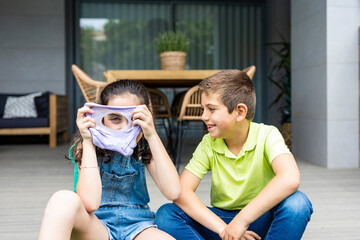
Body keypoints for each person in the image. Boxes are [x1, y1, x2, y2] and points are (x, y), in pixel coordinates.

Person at [155, 70, 313, 240]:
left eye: (211, 109)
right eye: (203, 109)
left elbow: (290, 178)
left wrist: (242, 221)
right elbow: (181, 192)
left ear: (239, 112)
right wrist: (225, 229)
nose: (203, 116)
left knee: (297, 203)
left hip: (261, 219)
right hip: (223, 224)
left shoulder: (267, 135)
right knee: (166, 214)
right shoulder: (209, 143)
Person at [39, 80, 180, 240]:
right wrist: (88, 141)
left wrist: (151, 135)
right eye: (115, 119)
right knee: (63, 199)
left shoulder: (145, 145)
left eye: (133, 118)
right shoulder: (86, 145)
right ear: (101, 119)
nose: (123, 127)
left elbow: (173, 191)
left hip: (138, 225)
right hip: (97, 226)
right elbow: (90, 203)